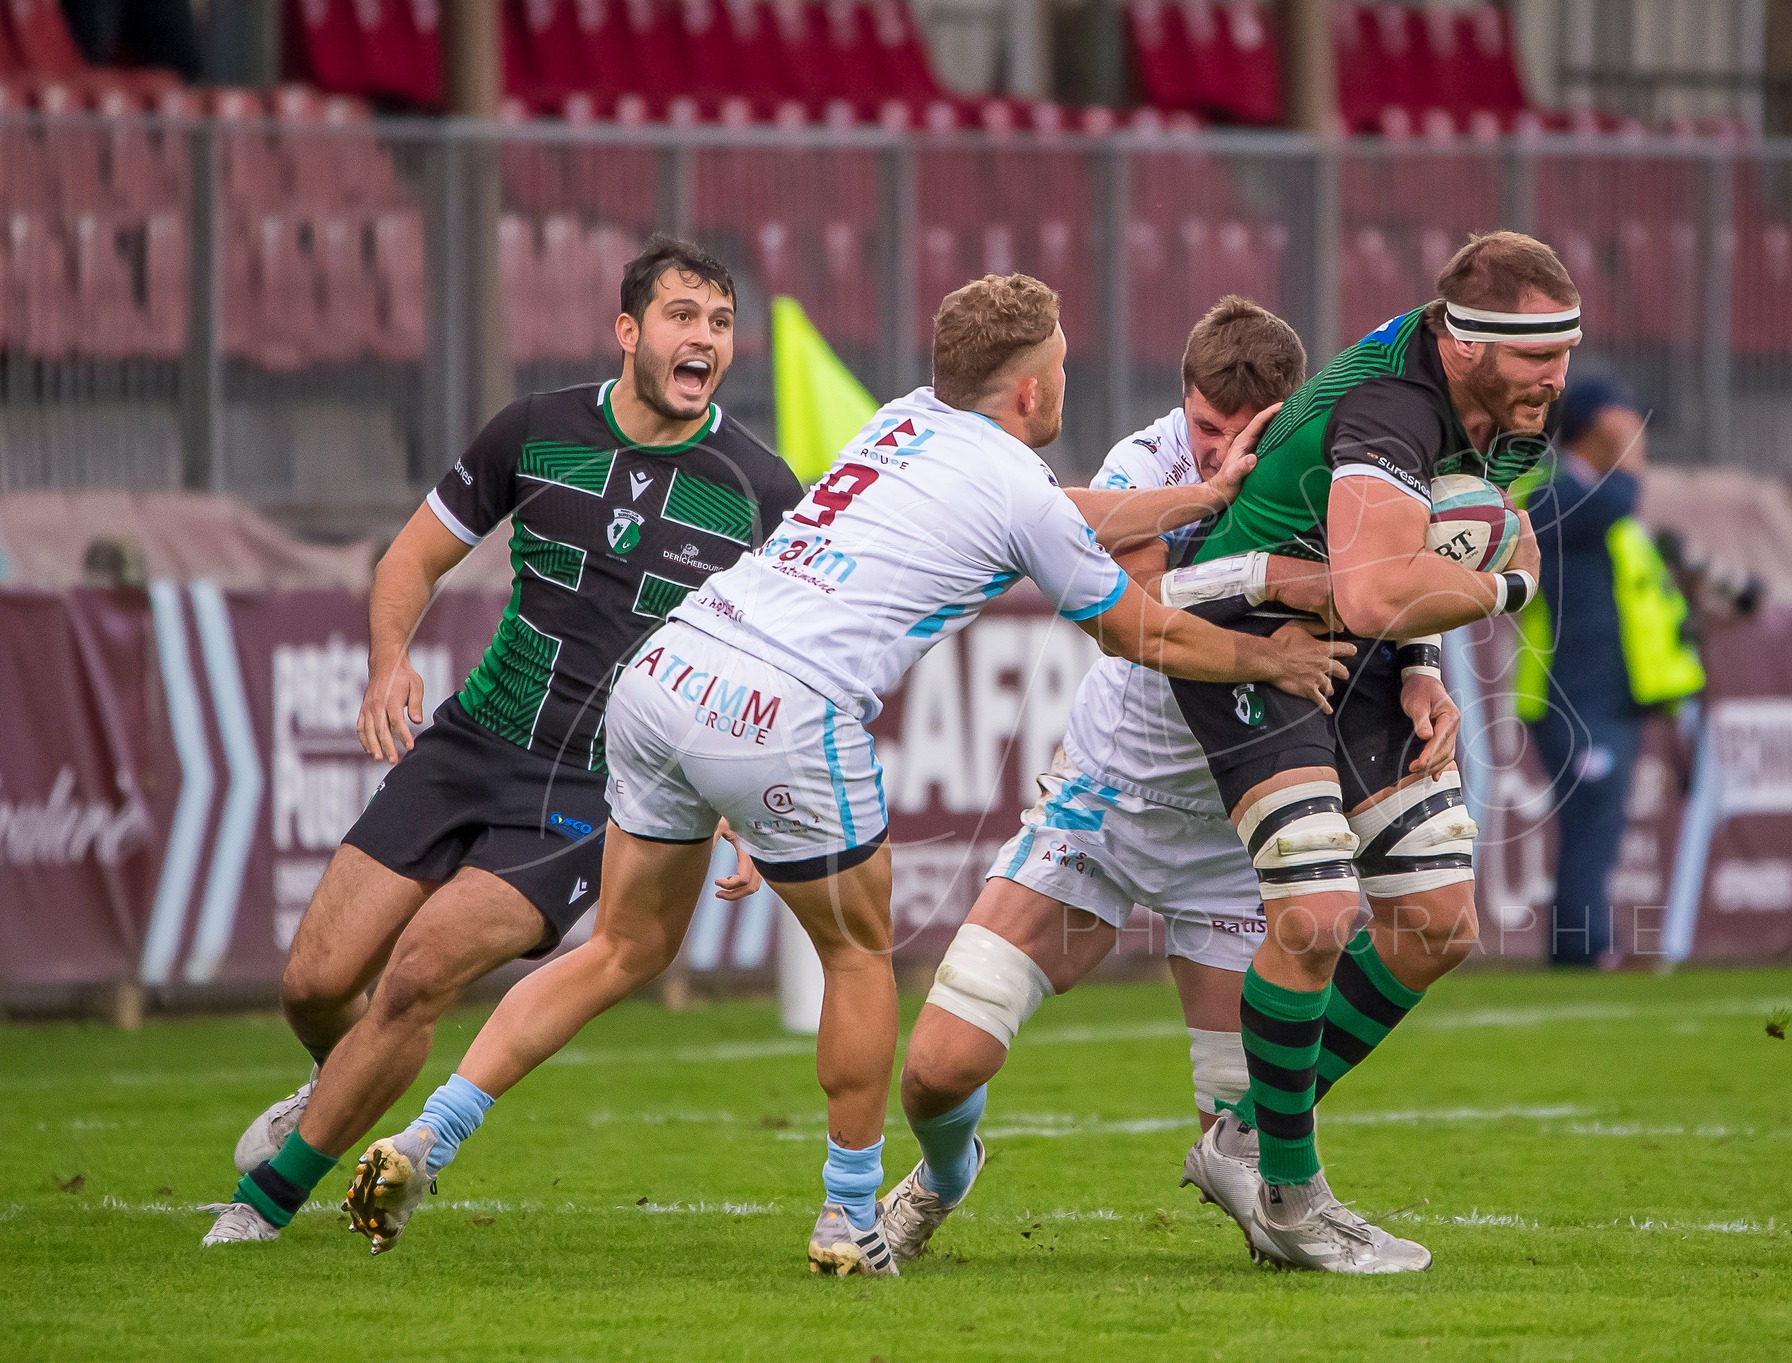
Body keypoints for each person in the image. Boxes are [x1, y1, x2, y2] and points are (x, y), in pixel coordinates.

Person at [344, 274, 1352, 1276]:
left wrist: (1200, 497)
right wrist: (1268, 656)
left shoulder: (902, 418)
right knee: (858, 958)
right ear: (1031, 390)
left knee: (620, 946)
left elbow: (1062, 512)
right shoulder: (1015, 483)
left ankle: (432, 1133)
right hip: (787, 708)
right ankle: (849, 1214)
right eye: (1054, 368)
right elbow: (1136, 631)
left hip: (667, 668)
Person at [201, 237, 800, 1246]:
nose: (704, 337)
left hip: (591, 789)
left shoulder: (760, 490)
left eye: (721, 322)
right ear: (628, 331)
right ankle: (334, 1085)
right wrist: (389, 661)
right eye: (682, 316)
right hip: (471, 742)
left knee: (419, 973)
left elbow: (778, 662)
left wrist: (742, 796)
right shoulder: (534, 430)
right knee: (314, 982)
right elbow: (410, 558)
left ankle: (262, 1207)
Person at [883, 298, 1452, 1269]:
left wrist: (1420, 666)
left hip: (1233, 838)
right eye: (1204, 426)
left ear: (1291, 413)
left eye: (1245, 431)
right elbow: (1138, 613)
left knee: (1249, 1147)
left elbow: (1395, 575)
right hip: (1105, 807)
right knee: (938, 1068)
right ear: (1182, 403)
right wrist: (1277, 589)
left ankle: (1295, 1210)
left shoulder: (1335, 464)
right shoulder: (1145, 465)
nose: (1220, 450)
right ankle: (940, 1174)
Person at [1152, 231, 1576, 1273]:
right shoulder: (1391, 405)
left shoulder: (1515, 412)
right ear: (1465, 344)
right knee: (1315, 911)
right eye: (1535, 354)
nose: (1556, 375)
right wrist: (1507, 591)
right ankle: (1291, 1197)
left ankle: (1240, 1140)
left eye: (1565, 350)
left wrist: (1424, 661)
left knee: (1437, 922)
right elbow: (1385, 585)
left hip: (1361, 646)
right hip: (1244, 632)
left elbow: (1434, 555)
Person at [1515, 378, 1704, 968]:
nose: (1634, 434)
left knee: (1599, 822)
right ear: (1594, 426)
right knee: (1590, 820)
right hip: (1570, 692)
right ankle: (1585, 947)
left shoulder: (1594, 494)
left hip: (1613, 693)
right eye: (1623, 422)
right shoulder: (1551, 490)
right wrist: (1630, 457)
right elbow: (1614, 503)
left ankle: (1587, 942)